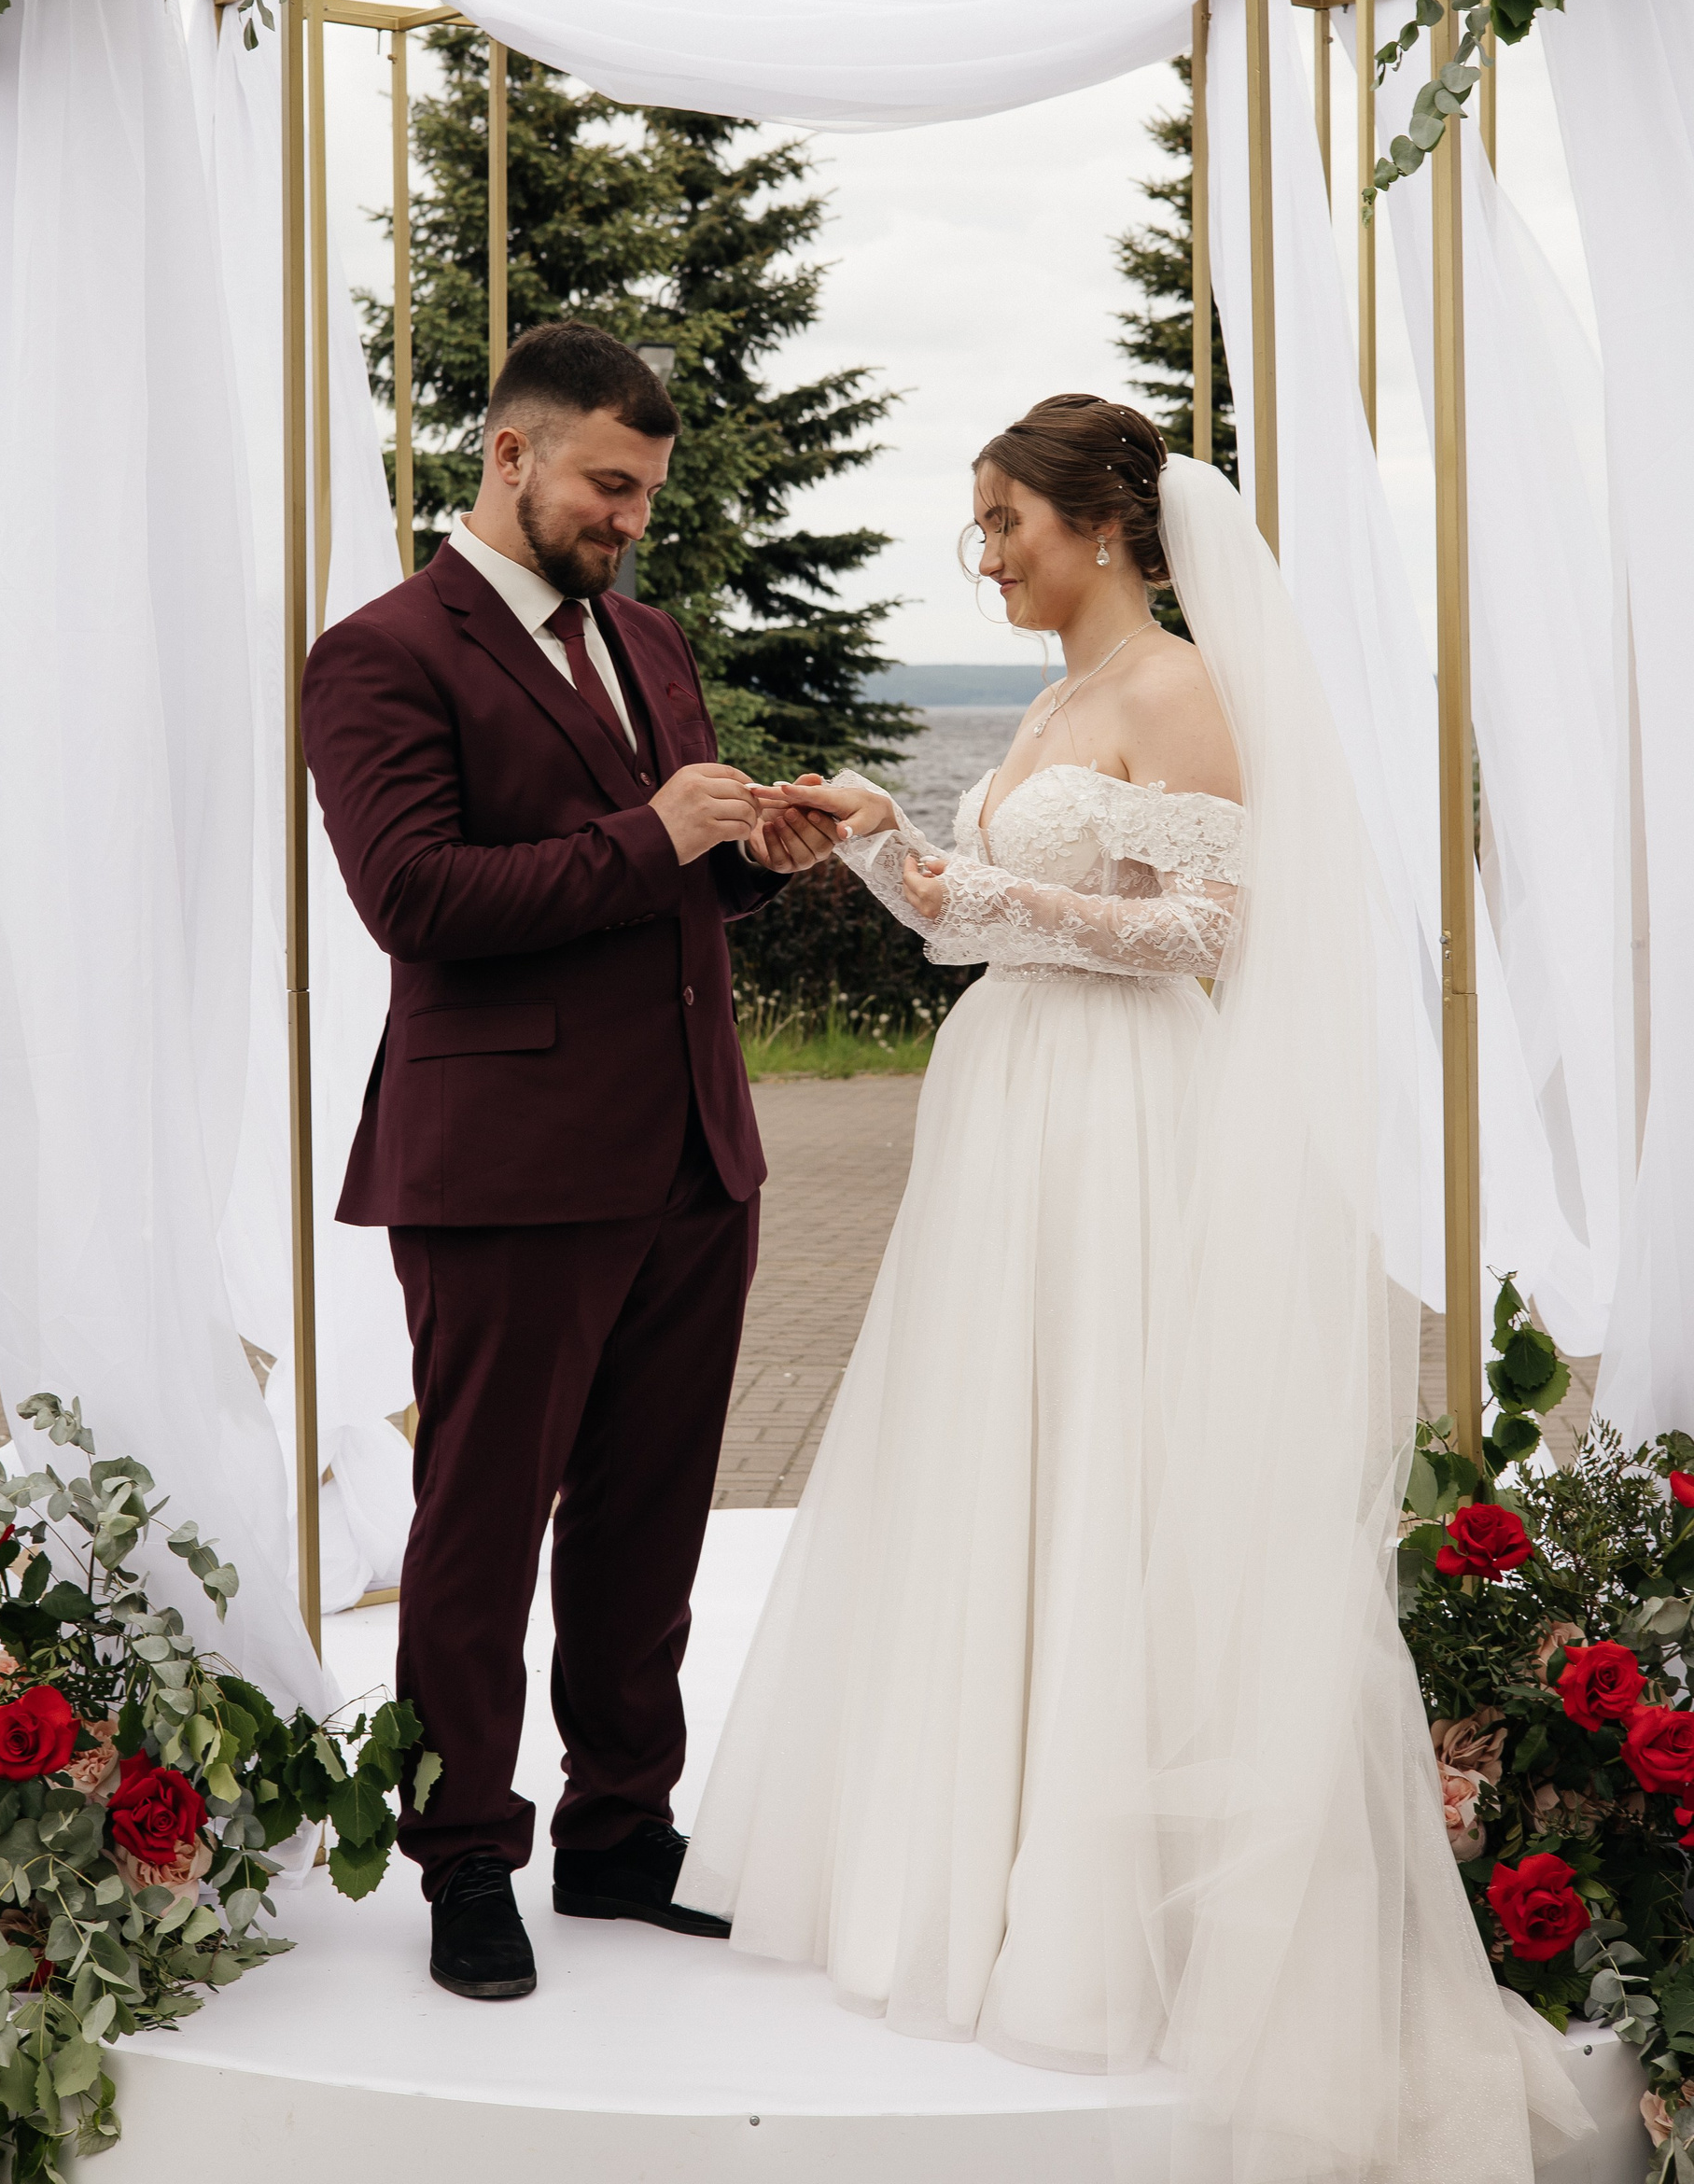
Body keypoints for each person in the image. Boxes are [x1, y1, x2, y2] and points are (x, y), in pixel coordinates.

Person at [679, 398, 1590, 2184]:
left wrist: (979, 886)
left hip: (1118, 1110)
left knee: (1116, 1451)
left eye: (1004, 522)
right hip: (1009, 1102)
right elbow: (968, 919)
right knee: (1002, 1453)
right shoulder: (1050, 702)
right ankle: (983, 1854)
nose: (988, 556)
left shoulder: (1177, 689)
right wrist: (877, 839)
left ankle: (1111, 1905)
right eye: (979, 528)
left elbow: (1204, 934)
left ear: (1101, 522)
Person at [301, 321, 833, 2004]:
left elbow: (668, 883)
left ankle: (620, 1829)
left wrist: (750, 859)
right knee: (478, 1525)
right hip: (507, 1165)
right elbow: (417, 900)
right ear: (511, 453)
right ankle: (466, 1851)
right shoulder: (380, 654)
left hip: (694, 1148)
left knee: (649, 1518)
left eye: (648, 492)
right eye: (611, 484)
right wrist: (650, 833)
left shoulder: (649, 637)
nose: (632, 519)